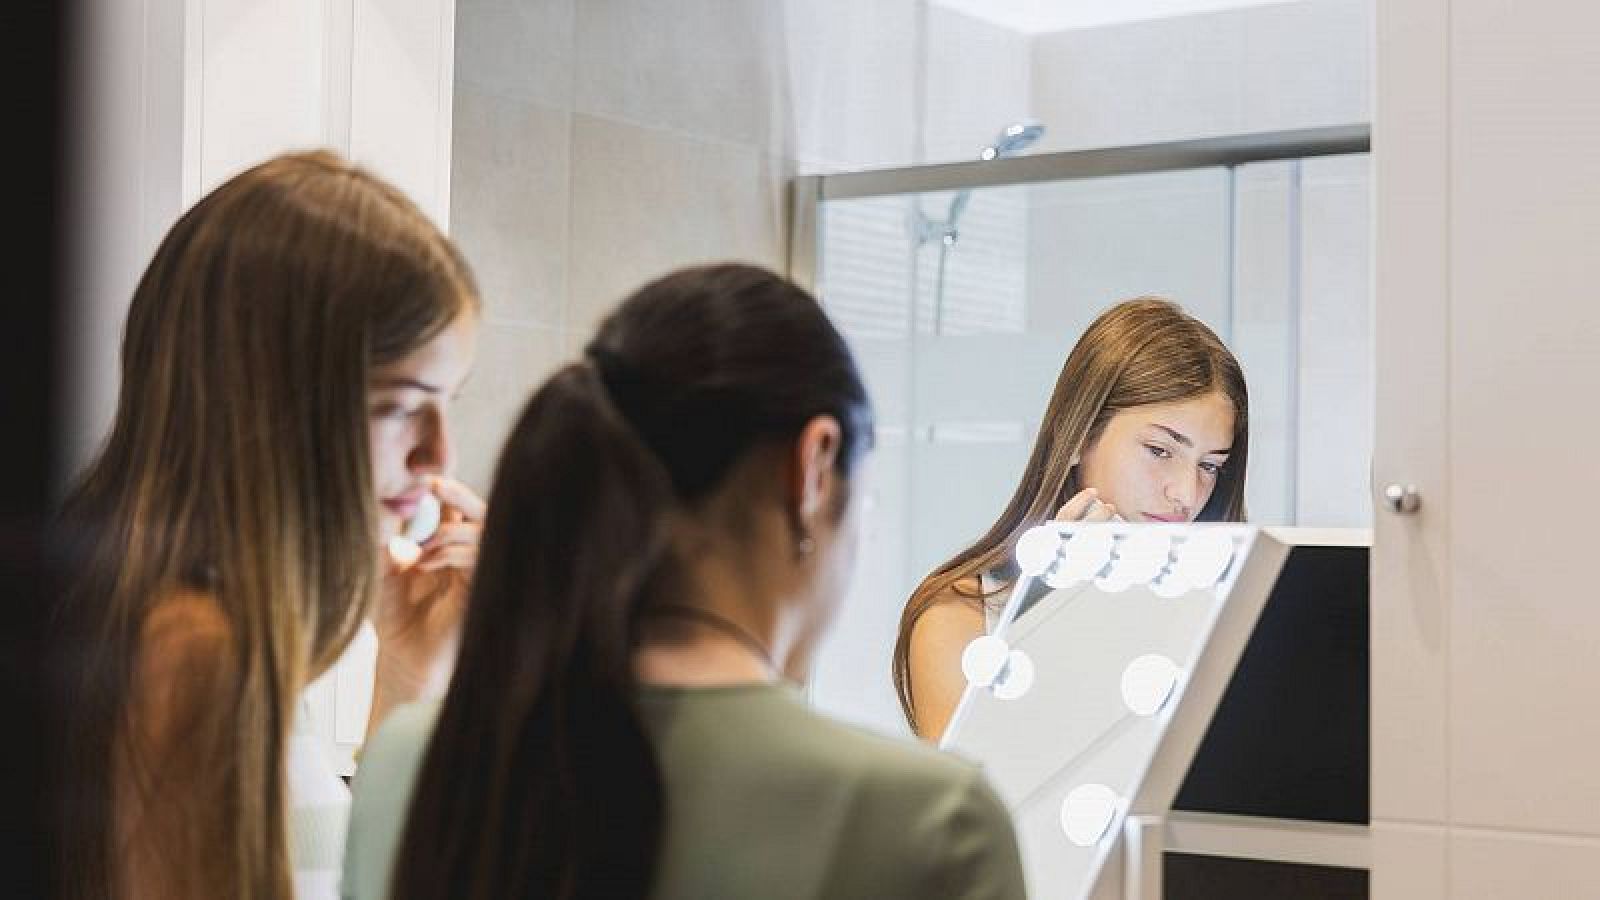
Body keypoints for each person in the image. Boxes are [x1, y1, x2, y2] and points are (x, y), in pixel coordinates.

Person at [344, 263, 1027, 900]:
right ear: (815, 468)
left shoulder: (409, 764)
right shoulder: (931, 819)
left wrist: (408, 680)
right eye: (866, 502)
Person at [52, 151, 484, 899]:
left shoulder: (187, 627)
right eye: (400, 405)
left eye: (448, 403)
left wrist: (408, 675)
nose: (437, 453)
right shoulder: (194, 655)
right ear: (273, 398)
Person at [893, 296, 1249, 741]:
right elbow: (985, 803)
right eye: (1160, 451)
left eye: (1210, 466)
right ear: (1078, 435)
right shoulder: (959, 617)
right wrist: (1056, 616)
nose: (1187, 493)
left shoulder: (1223, 614)